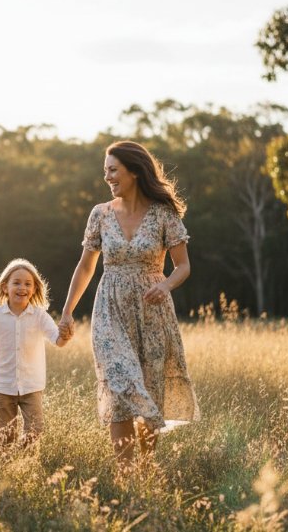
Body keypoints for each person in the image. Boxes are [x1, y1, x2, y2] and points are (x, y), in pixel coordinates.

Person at [59, 140, 199, 471]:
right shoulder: (100, 214)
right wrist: (66, 311)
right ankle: (125, 473)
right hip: (110, 310)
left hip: (153, 312)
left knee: (150, 388)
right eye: (105, 170)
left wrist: (165, 285)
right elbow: (85, 267)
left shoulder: (163, 214)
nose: (107, 177)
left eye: (113, 170)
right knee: (119, 385)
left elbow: (183, 266)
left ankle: (145, 469)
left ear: (134, 171)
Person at [0, 259, 72, 449]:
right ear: (5, 287)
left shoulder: (39, 316)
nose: (22, 287)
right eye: (16, 283)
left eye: (27, 284)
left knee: (35, 429)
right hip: (3, 385)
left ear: (34, 289)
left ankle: (24, 458)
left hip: (32, 385)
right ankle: (7, 463)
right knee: (6, 434)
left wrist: (66, 336)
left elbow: (58, 341)